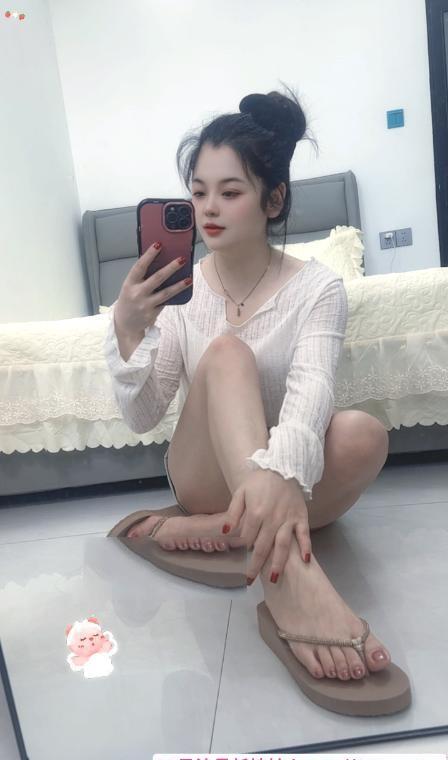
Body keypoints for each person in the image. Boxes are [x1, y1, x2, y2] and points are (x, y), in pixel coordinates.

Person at [104, 84, 392, 688]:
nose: (209, 209)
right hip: (204, 475)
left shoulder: (318, 289)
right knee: (227, 352)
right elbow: (144, 415)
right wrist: (129, 330)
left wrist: (281, 475)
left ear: (273, 198)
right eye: (198, 192)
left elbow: (311, 396)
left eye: (230, 192)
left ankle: (218, 532)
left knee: (364, 434)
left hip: (285, 483)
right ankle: (293, 585)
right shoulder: (180, 295)